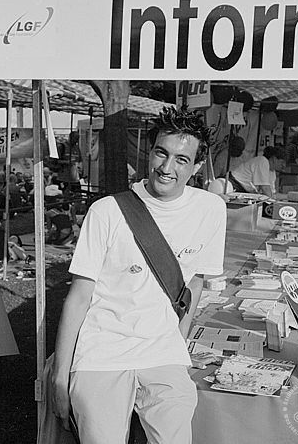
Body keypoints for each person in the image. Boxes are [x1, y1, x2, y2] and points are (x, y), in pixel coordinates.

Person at [52, 107, 227, 444]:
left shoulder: (210, 209)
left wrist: (178, 339)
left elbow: (194, 282)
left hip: (163, 353)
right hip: (102, 352)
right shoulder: (107, 212)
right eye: (161, 153)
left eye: (181, 159)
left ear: (197, 166)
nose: (166, 168)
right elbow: (79, 296)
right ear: (150, 151)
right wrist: (60, 377)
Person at [213, 146, 285, 199]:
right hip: (233, 184)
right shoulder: (262, 161)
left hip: (244, 190)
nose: (283, 165)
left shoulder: (272, 172)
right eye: (282, 162)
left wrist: (287, 196)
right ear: (274, 159)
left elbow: (272, 193)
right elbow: (265, 188)